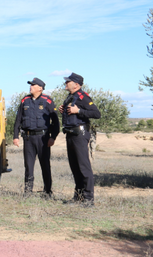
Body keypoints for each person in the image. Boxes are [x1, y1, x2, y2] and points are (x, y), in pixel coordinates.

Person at [59, 72, 101, 207]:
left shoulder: (83, 97)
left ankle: (89, 199)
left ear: (76, 84)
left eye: (68, 81)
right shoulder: (71, 97)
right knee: (75, 167)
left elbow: (96, 113)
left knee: (83, 167)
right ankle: (78, 197)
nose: (66, 83)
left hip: (80, 134)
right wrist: (63, 110)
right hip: (70, 134)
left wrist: (79, 112)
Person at [12, 77, 60, 196]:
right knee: (28, 166)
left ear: (40, 88)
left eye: (33, 85)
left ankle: (47, 191)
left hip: (43, 139)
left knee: (45, 165)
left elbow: (55, 122)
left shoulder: (47, 101)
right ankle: (28, 191)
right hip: (28, 138)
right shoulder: (25, 100)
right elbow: (18, 119)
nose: (31, 87)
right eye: (30, 85)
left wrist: (53, 137)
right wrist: (15, 136)